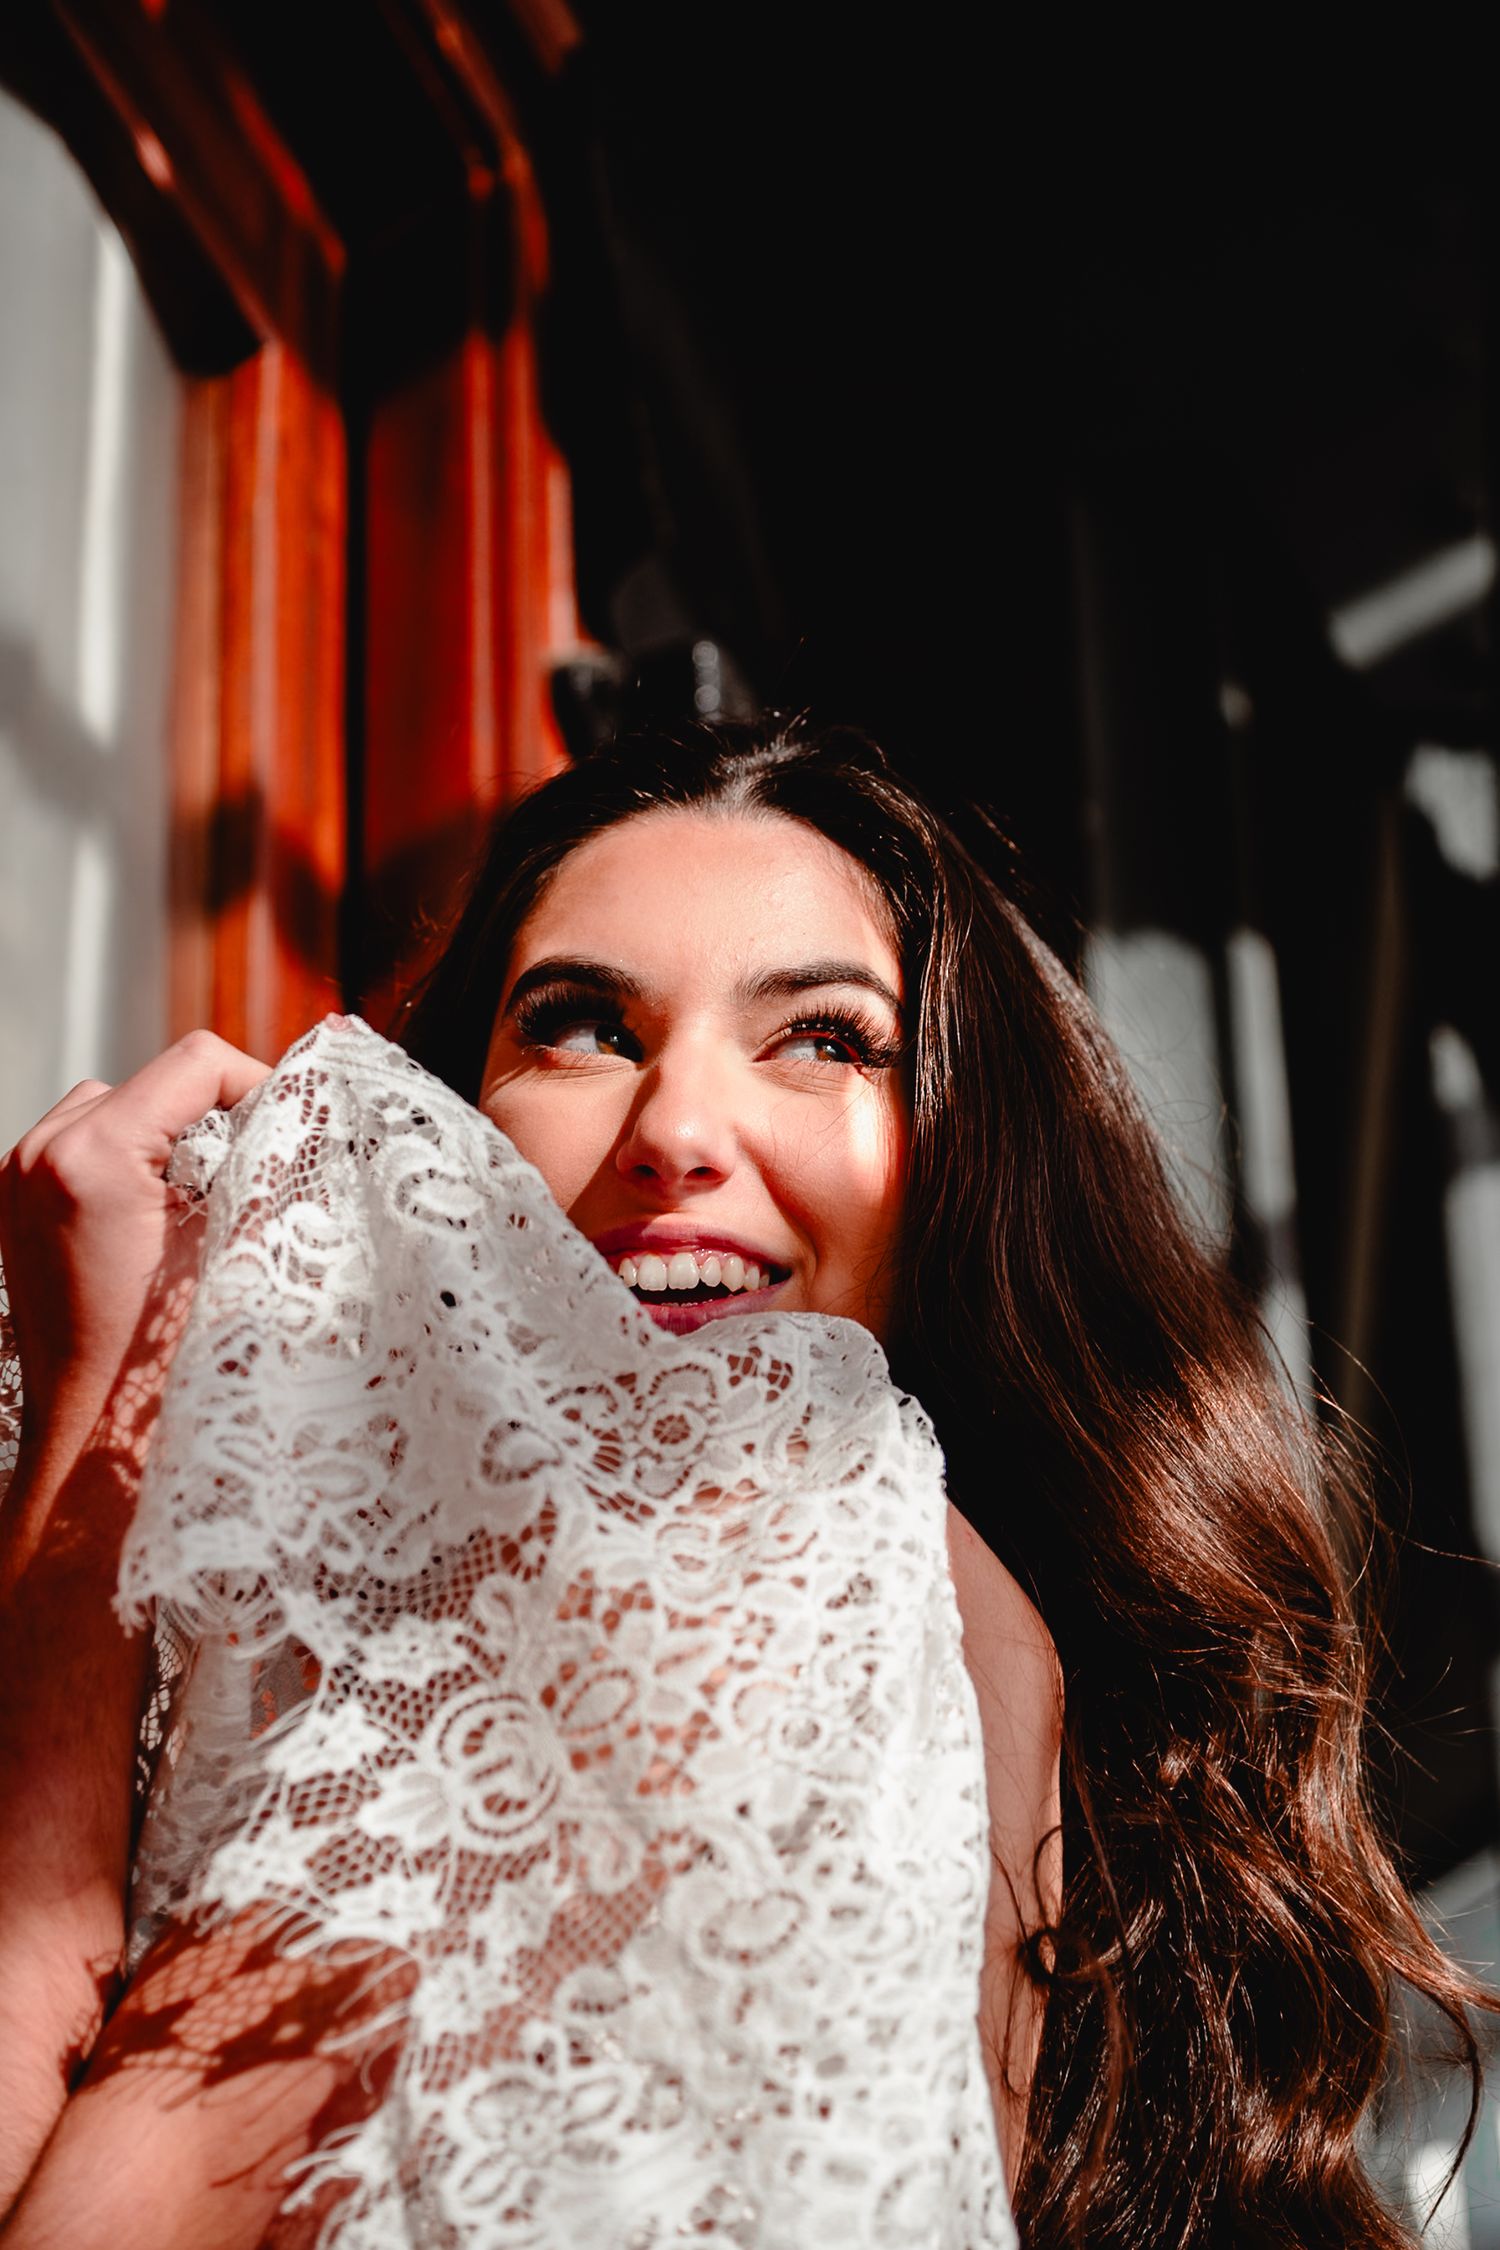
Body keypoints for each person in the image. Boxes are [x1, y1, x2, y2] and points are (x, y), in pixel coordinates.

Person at [0, 715, 1486, 2247]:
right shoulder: (992, 1661)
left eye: (826, 1036)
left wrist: (91, 1459)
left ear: (965, 1154)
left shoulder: (754, 1566)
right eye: (578, 1024)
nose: (676, 1132)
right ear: (444, 1132)